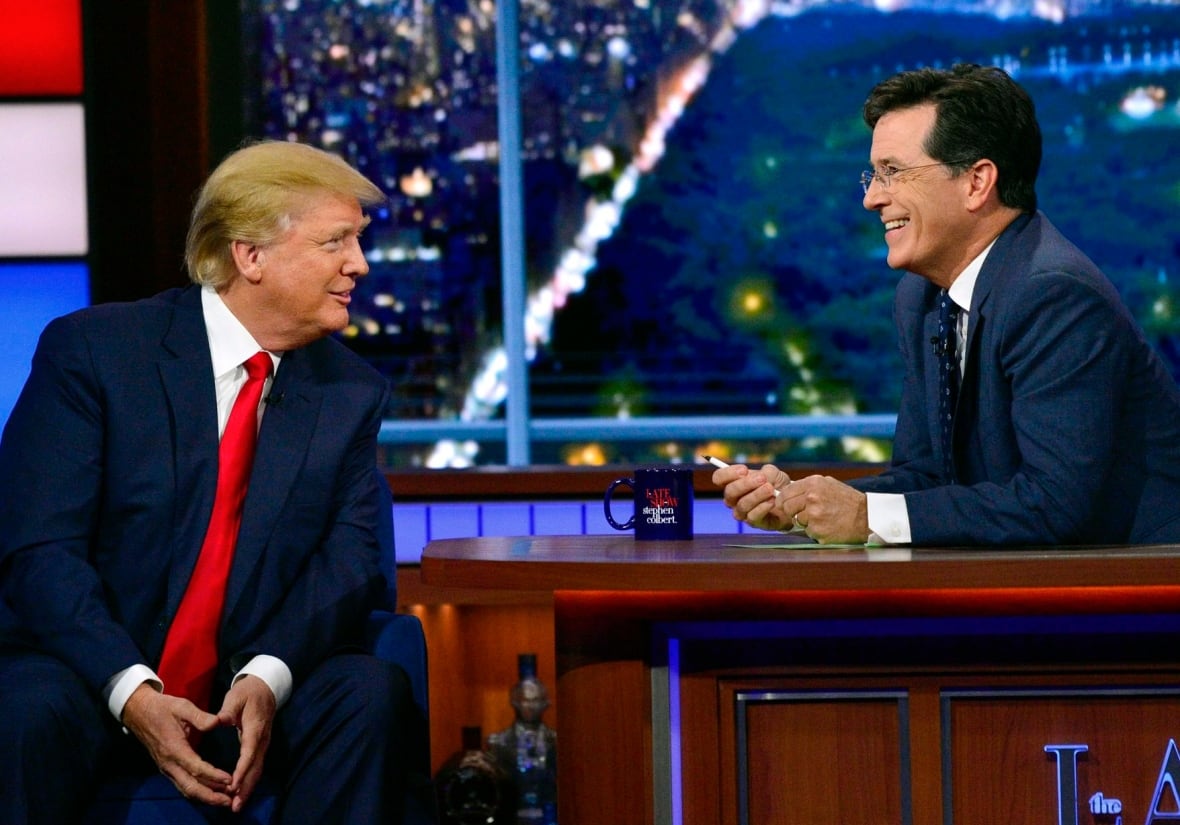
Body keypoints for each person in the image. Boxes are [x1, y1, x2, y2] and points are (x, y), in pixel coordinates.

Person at [0, 140, 414, 822]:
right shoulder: (96, 353)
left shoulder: (350, 393)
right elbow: (40, 549)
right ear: (250, 255)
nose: (359, 264)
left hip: (241, 690)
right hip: (92, 674)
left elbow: (345, 562)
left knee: (367, 692)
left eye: (358, 240)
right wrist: (132, 690)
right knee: (24, 708)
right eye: (335, 241)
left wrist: (268, 676)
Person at [713, 63, 1180, 546]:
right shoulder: (920, 297)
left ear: (976, 182)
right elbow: (929, 478)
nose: (872, 198)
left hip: (1144, 575)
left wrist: (866, 516)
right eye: (873, 175)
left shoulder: (1054, 295)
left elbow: (1054, 504)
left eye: (893, 172)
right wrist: (803, 506)